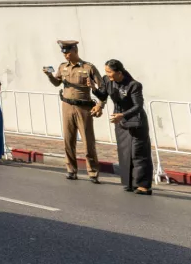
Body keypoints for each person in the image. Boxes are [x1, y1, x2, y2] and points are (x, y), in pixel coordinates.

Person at [44, 39, 103, 182]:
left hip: (84, 107)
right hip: (67, 106)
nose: (66, 56)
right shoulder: (63, 67)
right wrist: (49, 75)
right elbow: (57, 83)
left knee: (88, 141)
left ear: (75, 51)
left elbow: (102, 88)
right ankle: (71, 169)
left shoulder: (89, 68)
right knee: (68, 140)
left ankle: (93, 171)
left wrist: (100, 104)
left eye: (68, 53)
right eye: (64, 53)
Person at [91, 59, 153, 195]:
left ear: (119, 72)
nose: (107, 74)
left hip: (136, 122)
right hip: (120, 122)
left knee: (138, 153)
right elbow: (103, 95)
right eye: (106, 71)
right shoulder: (107, 80)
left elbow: (138, 106)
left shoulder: (134, 85)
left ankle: (143, 185)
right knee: (125, 152)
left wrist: (122, 115)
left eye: (109, 72)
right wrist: (93, 88)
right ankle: (129, 183)